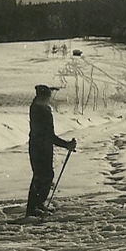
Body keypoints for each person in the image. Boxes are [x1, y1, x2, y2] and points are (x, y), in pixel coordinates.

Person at [26, 85, 77, 217]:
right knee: (41, 177)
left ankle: (38, 205)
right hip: (39, 148)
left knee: (47, 176)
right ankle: (33, 208)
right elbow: (48, 135)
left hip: (45, 147)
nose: (49, 99)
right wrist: (66, 145)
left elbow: (49, 135)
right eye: (47, 96)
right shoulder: (39, 110)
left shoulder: (42, 109)